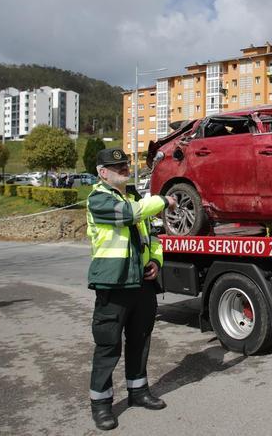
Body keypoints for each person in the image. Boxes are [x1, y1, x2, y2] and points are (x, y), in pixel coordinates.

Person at [86, 148, 177, 431]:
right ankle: (101, 406)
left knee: (140, 341)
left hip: (142, 284)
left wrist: (156, 262)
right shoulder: (99, 199)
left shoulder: (135, 198)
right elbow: (128, 215)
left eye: (125, 165)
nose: (125, 169)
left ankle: (138, 392)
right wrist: (161, 200)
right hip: (114, 284)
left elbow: (153, 236)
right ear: (103, 173)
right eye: (118, 167)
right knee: (108, 345)